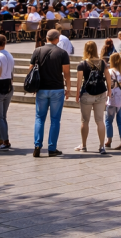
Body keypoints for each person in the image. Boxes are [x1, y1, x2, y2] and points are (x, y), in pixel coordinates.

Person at [29, 29, 71, 157]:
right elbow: (66, 73)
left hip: (41, 88)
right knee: (55, 120)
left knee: (39, 118)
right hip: (57, 89)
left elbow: (30, 69)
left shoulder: (37, 51)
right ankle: (52, 148)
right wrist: (68, 88)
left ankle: (37, 145)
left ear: (46, 38)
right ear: (57, 39)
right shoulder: (62, 53)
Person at [74, 40, 109, 154]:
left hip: (86, 94)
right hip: (100, 93)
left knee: (85, 121)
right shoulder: (102, 63)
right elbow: (108, 78)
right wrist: (110, 91)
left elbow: (79, 81)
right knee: (100, 120)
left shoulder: (82, 64)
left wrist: (77, 94)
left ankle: (84, 145)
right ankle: (102, 146)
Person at [105, 52, 121, 150]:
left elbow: (108, 86)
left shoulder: (109, 71)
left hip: (112, 99)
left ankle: (108, 141)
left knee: (108, 121)